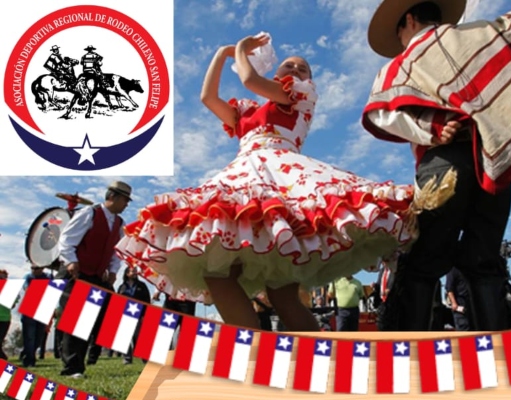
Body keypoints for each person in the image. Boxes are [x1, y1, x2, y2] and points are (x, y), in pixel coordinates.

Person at [116, 35, 415, 332]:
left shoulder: (302, 94)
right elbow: (208, 98)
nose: (296, 71)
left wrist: (242, 51)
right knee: (236, 277)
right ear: (277, 73)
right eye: (289, 66)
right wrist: (222, 53)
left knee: (274, 292)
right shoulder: (248, 110)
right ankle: (285, 358)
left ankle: (273, 358)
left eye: (302, 68)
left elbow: (248, 79)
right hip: (246, 172)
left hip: (282, 172)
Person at [361, 0, 511, 331]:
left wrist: (432, 129)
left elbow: (382, 112)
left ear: (409, 19)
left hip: (444, 165)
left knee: (424, 258)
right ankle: (498, 354)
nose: (400, 42)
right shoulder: (483, 34)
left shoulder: (401, 64)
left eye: (399, 33)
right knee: (484, 257)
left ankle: (407, 356)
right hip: (494, 157)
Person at [57, 181, 131, 378]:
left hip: (96, 277)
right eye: (125, 199)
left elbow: (117, 252)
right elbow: (66, 239)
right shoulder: (89, 213)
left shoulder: (119, 224)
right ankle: (72, 368)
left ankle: (78, 361)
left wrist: (114, 270)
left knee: (92, 319)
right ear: (113, 197)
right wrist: (71, 261)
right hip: (75, 273)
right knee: (75, 318)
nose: (127, 204)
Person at [117, 267, 151, 364]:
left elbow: (147, 301)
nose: (135, 273)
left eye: (136, 271)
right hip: (125, 315)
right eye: (133, 271)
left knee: (139, 336)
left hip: (138, 314)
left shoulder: (142, 286)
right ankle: (127, 358)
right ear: (127, 273)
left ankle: (145, 358)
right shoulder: (122, 287)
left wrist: (145, 315)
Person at [20, 264, 52, 368]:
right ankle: (29, 360)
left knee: (39, 337)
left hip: (43, 311)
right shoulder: (27, 277)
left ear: (42, 268)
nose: (34, 270)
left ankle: (27, 352)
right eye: (32, 268)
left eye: (36, 268)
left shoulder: (48, 277)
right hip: (29, 311)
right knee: (29, 336)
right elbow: (27, 288)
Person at [0, 270, 11, 360]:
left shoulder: (9, 288)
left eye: (4, 277)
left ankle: (3, 357)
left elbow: (13, 303)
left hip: (5, 318)